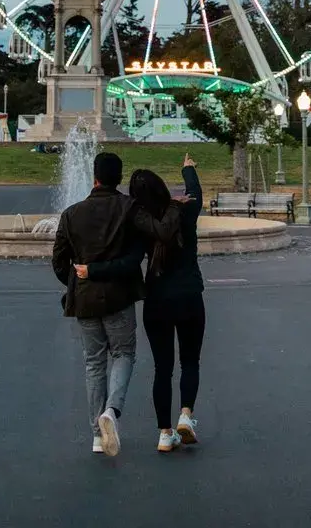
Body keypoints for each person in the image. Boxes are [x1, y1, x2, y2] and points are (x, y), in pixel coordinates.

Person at [51, 151, 144, 456]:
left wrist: (78, 282)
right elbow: (134, 258)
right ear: (119, 177)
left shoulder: (71, 213)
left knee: (94, 362)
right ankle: (111, 411)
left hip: (86, 298)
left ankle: (95, 434)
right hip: (119, 295)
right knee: (124, 353)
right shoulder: (129, 208)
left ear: (94, 177)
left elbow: (58, 261)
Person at [127, 156, 204, 452]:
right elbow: (195, 192)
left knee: (162, 368)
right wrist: (188, 168)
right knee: (190, 360)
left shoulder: (140, 222)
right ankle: (186, 415)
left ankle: (164, 433)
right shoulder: (186, 210)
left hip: (157, 299)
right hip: (188, 294)